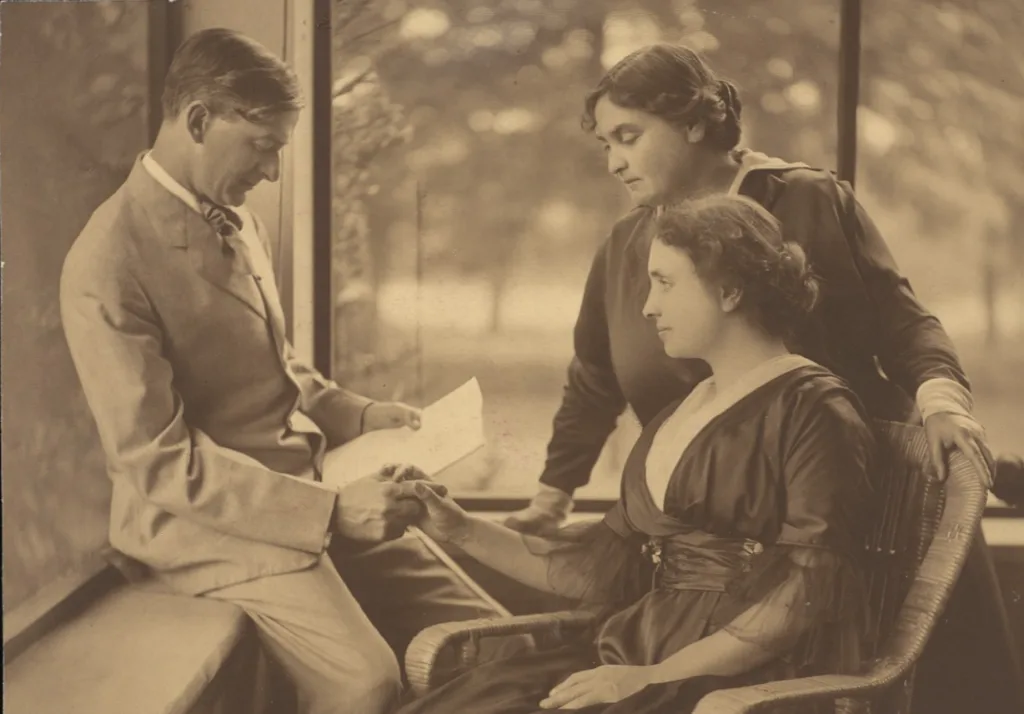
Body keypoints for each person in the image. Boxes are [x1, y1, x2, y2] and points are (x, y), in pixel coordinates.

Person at [503, 43, 1023, 714]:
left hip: (845, 521)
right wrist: (552, 494)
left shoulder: (806, 199)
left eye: (628, 136)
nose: (614, 161)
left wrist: (943, 402)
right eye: (605, 143)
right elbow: (595, 378)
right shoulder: (626, 245)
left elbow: (902, 325)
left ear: (694, 121)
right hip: (710, 560)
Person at [59, 28, 503, 714]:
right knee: (366, 682)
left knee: (484, 636)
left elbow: (274, 364)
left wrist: (355, 413)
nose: (270, 173)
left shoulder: (236, 219)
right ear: (200, 120)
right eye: (262, 146)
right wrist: (330, 513)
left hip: (306, 494)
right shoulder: (108, 258)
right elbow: (157, 460)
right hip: (207, 526)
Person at [397, 196, 875, 713]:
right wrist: (460, 528)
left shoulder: (814, 409)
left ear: (730, 290)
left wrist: (653, 677)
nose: (647, 306)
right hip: (631, 657)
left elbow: (802, 598)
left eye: (665, 283)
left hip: (728, 680)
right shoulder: (681, 410)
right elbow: (595, 569)